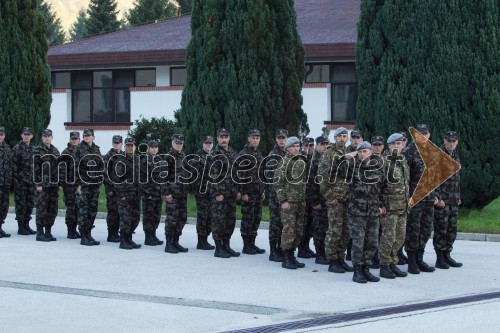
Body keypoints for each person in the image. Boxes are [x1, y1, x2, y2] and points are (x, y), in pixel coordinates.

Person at [346, 142, 387, 283]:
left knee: (372, 242)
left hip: (373, 212)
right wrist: (345, 158)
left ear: (371, 152)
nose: (363, 154)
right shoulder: (352, 167)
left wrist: (381, 204)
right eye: (360, 151)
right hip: (357, 212)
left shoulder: (378, 168)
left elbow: (383, 187)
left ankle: (366, 269)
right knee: (358, 243)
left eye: (365, 151)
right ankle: (357, 271)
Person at [319, 127, 354, 273]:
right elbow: (322, 177)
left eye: (344, 136)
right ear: (335, 138)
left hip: (347, 199)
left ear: (347, 139)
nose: (342, 139)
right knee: (334, 230)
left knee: (345, 231)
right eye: (339, 136)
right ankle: (332, 260)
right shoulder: (329, 153)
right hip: (335, 200)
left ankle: (341, 257)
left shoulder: (348, 153)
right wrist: (329, 196)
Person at [403, 124, 437, 273]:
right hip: (414, 198)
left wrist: (437, 195)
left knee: (426, 229)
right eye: (420, 133)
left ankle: (419, 258)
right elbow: (404, 178)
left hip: (429, 198)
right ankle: (411, 261)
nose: (423, 136)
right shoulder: (408, 152)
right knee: (413, 229)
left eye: (426, 133)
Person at [378, 133, 410, 279]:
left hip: (402, 206)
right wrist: (380, 204)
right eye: (393, 144)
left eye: (399, 143)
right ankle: (384, 266)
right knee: (388, 237)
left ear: (403, 145)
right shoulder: (383, 162)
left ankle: (393, 262)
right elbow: (376, 185)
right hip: (389, 207)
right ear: (389, 146)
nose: (396, 146)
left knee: (400, 238)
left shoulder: (403, 160)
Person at [274, 137, 307, 269]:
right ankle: (286, 257)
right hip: (289, 202)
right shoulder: (284, 162)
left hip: (300, 201)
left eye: (298, 146)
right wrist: (283, 201)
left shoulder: (300, 161)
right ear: (287, 148)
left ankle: (292, 255)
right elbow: (278, 183)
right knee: (289, 230)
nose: (296, 148)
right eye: (293, 146)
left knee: (298, 230)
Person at [433, 131, 463, 268]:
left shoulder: (455, 155)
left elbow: (457, 179)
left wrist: (458, 196)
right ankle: (440, 258)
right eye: (449, 141)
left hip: (453, 200)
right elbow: (434, 179)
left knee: (452, 229)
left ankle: (447, 255)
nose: (451, 143)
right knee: (441, 229)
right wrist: (438, 198)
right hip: (443, 201)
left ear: (457, 142)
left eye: (454, 141)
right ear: (444, 141)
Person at [209, 128, 240, 258]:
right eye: (221, 137)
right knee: (218, 221)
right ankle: (219, 248)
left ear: (229, 138)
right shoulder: (214, 154)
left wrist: (238, 190)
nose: (224, 139)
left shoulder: (233, 153)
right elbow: (212, 175)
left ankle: (226, 245)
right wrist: (217, 193)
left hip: (231, 194)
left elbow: (237, 173)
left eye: (226, 137)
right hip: (220, 195)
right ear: (217, 138)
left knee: (230, 221)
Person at [237, 129, 266, 255]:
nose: (255, 140)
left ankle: (252, 243)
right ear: (248, 139)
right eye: (253, 138)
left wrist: (263, 190)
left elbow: (261, 174)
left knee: (256, 218)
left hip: (258, 192)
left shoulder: (259, 153)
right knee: (248, 218)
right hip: (248, 193)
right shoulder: (243, 154)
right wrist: (242, 192)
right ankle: (246, 245)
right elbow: (238, 174)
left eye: (257, 138)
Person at [73, 128, 103, 246]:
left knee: (92, 211)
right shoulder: (78, 149)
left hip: (94, 185)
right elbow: (74, 168)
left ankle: (89, 234)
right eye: (85, 135)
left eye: (89, 135)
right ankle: (83, 236)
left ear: (93, 137)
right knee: (83, 211)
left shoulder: (96, 149)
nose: (87, 137)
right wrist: (77, 185)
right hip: (83, 185)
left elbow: (101, 166)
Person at [305, 135, 330, 265]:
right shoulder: (314, 161)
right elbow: (310, 184)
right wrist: (314, 202)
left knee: (326, 227)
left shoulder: (326, 158)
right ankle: (320, 254)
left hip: (327, 201)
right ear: (317, 145)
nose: (325, 146)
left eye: (327, 144)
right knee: (319, 228)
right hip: (319, 201)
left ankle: (324, 252)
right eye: (323, 144)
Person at [32, 129, 61, 242]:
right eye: (45, 136)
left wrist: (59, 183)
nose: (47, 138)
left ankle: (48, 232)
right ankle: (40, 233)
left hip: (53, 186)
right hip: (42, 186)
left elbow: (59, 168)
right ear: (41, 137)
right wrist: (38, 184)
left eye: (49, 136)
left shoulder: (55, 151)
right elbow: (35, 168)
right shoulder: (37, 151)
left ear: (52, 137)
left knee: (52, 209)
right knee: (41, 209)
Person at [164, 134, 190, 253]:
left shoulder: (183, 155)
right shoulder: (168, 157)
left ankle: (176, 241)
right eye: (177, 143)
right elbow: (163, 178)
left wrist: (187, 190)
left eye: (180, 143)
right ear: (172, 143)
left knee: (182, 218)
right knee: (172, 219)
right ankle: (169, 244)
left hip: (182, 193)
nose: (179, 145)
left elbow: (185, 175)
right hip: (172, 194)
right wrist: (167, 193)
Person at [266, 129, 288, 262]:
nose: (281, 140)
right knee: (275, 223)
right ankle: (273, 251)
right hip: (276, 196)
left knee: (284, 223)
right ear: (276, 139)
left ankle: (281, 247)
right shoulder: (273, 155)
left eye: (283, 138)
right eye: (279, 138)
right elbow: (269, 176)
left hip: (287, 195)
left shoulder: (289, 154)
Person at [115, 137, 141, 250]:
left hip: (135, 195)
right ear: (125, 147)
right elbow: (117, 180)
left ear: (135, 147)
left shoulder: (137, 159)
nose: (130, 147)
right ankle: (123, 240)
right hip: (125, 195)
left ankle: (129, 238)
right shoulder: (121, 161)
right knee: (125, 218)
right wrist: (122, 195)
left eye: (132, 145)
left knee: (135, 218)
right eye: (128, 146)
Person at [12, 126, 36, 235]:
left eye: (28, 134)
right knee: (21, 204)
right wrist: (16, 181)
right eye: (24, 134)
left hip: (31, 182)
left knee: (30, 204)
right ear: (22, 135)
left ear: (31, 136)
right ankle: (21, 227)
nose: (26, 136)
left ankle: (27, 224)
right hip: (20, 182)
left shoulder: (34, 149)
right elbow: (13, 166)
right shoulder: (17, 148)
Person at [192, 136, 215, 250]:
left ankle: (205, 239)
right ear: (203, 144)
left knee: (210, 217)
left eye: (210, 143)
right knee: (203, 216)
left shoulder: (215, 156)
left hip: (212, 192)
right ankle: (201, 241)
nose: (208, 145)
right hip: (202, 192)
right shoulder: (197, 157)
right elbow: (193, 176)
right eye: (206, 143)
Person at [140, 140, 165, 246]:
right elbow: (142, 178)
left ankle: (153, 235)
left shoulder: (159, 160)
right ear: (148, 148)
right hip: (149, 194)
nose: (154, 149)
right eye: (152, 147)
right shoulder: (145, 160)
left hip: (158, 193)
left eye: (156, 147)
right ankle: (148, 237)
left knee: (156, 215)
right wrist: (146, 193)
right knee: (148, 216)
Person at [298, 137, 316, 258]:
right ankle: (301, 249)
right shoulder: (300, 159)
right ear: (302, 146)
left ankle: (306, 246)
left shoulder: (314, 158)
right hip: (302, 197)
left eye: (311, 145)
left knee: (310, 224)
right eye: (306, 145)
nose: (308, 148)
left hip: (311, 197)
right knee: (302, 224)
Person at [103, 135, 123, 243]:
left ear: (121, 143)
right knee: (112, 212)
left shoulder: (123, 155)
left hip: (121, 190)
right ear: (112, 143)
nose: (116, 144)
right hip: (112, 189)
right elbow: (105, 174)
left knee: (120, 211)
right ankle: (111, 234)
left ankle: (117, 232)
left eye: (118, 142)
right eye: (115, 142)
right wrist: (109, 188)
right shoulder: (108, 156)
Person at [61, 131, 81, 239]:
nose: (74, 140)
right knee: (71, 208)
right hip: (69, 185)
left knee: (78, 208)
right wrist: (63, 184)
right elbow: (62, 169)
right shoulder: (66, 152)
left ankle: (75, 229)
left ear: (79, 139)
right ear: (70, 140)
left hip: (79, 185)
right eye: (72, 139)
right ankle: (70, 231)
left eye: (76, 139)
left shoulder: (82, 151)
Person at [0, 126, 12, 238]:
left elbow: (10, 166)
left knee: (4, 206)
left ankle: (0, 227)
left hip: (5, 183)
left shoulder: (7, 148)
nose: (0, 136)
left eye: (2, 134)